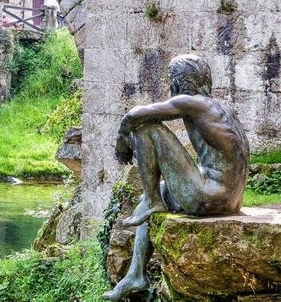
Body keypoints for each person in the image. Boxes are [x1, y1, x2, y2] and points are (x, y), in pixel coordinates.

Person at [103, 54, 250, 300]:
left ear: (177, 82)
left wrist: (121, 141)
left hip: (210, 197)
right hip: (231, 200)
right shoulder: (220, 108)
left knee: (146, 129)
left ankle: (152, 201)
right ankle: (136, 274)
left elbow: (133, 116)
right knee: (161, 188)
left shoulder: (190, 102)